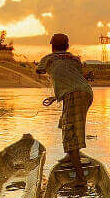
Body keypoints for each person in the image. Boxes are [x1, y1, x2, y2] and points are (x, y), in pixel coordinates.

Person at [36, 33, 94, 184]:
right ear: (67, 46)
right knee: (67, 124)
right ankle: (71, 155)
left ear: (52, 46)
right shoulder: (75, 59)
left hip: (74, 95)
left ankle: (80, 178)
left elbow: (39, 70)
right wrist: (55, 97)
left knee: (70, 132)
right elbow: (71, 78)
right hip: (85, 93)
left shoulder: (48, 59)